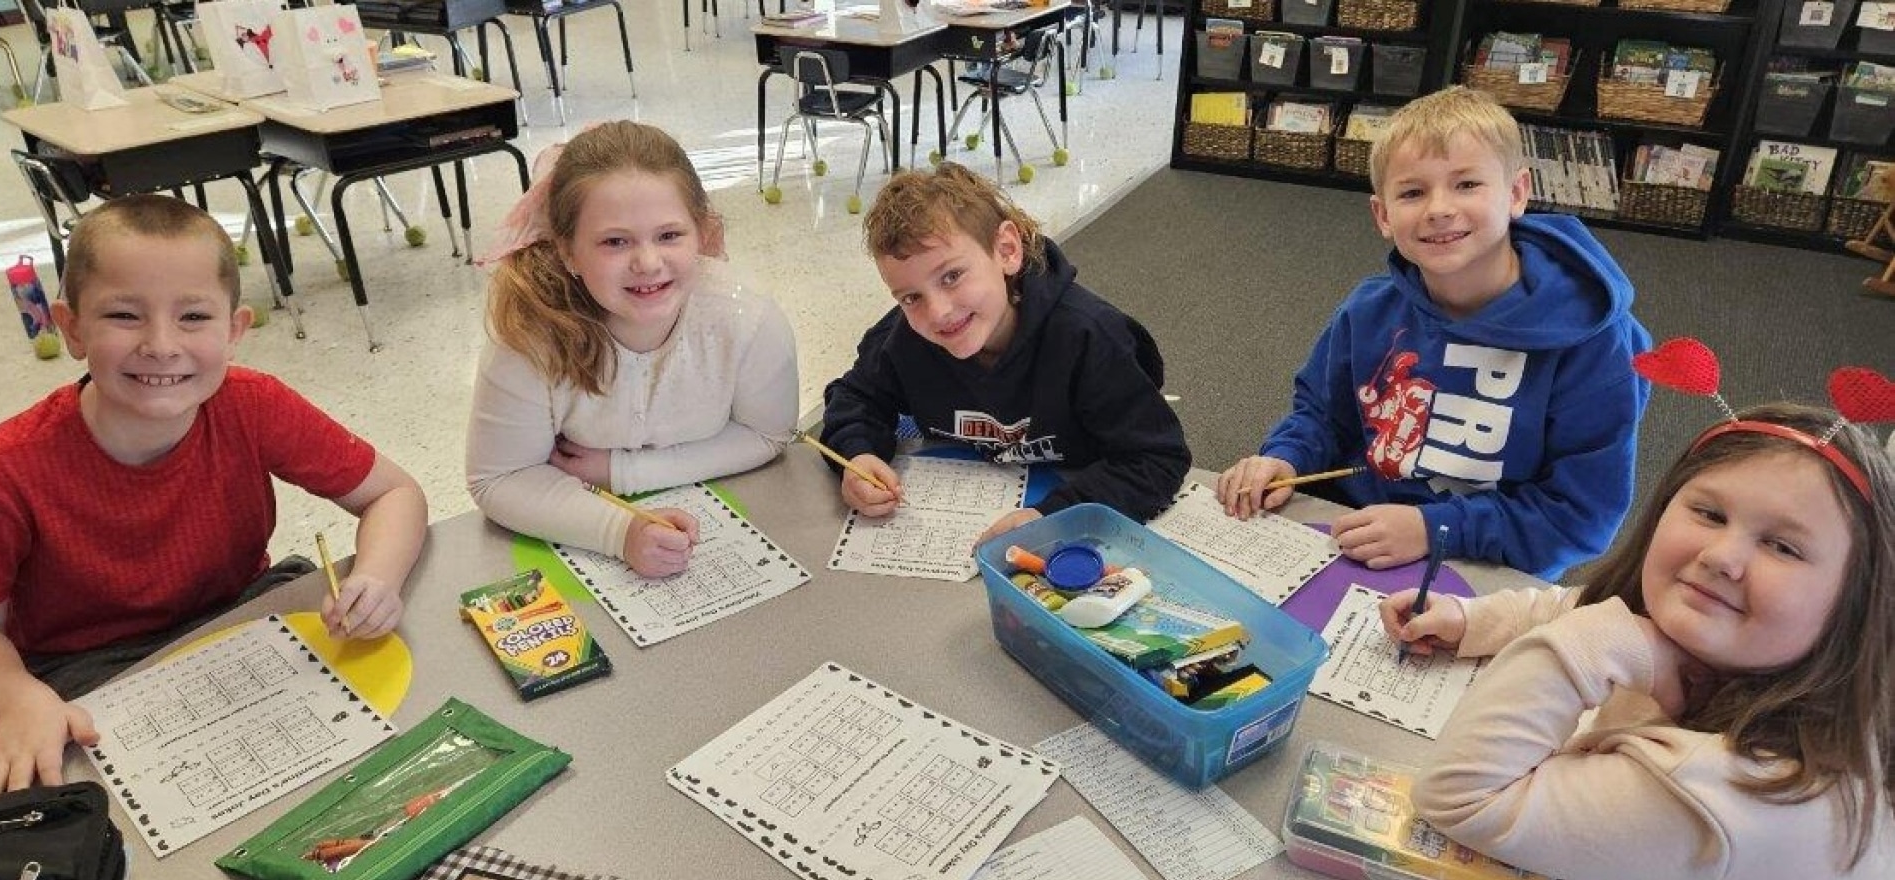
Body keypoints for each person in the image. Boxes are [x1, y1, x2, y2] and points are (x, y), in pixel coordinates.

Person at [1373, 402, 1895, 880]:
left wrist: (1615, 640)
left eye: (1782, 547)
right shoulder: (1748, 645)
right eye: (1709, 512)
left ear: (1853, 602)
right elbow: (1572, 607)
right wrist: (1471, 620)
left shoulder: (1737, 790)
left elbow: (1459, 796)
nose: (1723, 557)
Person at [0, 194, 428, 796]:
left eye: (193, 317)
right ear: (72, 328)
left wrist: (377, 577)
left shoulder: (254, 403)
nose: (161, 344)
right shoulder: (2, 467)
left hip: (241, 617)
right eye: (124, 316)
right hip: (87, 671)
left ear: (235, 330)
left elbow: (393, 493)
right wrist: (17, 698)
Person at [1215, 86, 1651, 581]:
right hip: (1360, 533)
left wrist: (1432, 528)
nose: (1439, 209)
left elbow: (1578, 517)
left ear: (1516, 193)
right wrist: (1285, 458)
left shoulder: (1596, 344)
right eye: (1412, 192)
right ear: (1382, 215)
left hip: (1489, 562)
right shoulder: (1369, 309)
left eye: (1466, 184)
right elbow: (1321, 415)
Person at [467, 121, 799, 578]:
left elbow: (770, 435)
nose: (647, 263)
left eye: (669, 235)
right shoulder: (529, 335)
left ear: (701, 232)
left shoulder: (748, 319)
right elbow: (500, 478)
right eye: (615, 242)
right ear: (567, 252)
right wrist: (620, 532)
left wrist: (624, 473)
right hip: (572, 544)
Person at [820, 161, 1188, 542]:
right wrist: (856, 455)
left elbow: (1156, 459)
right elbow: (854, 397)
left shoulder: (1088, 337)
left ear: (1007, 250)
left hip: (1074, 498)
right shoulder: (902, 339)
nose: (939, 313)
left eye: (952, 276)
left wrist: (1056, 518)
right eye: (911, 297)